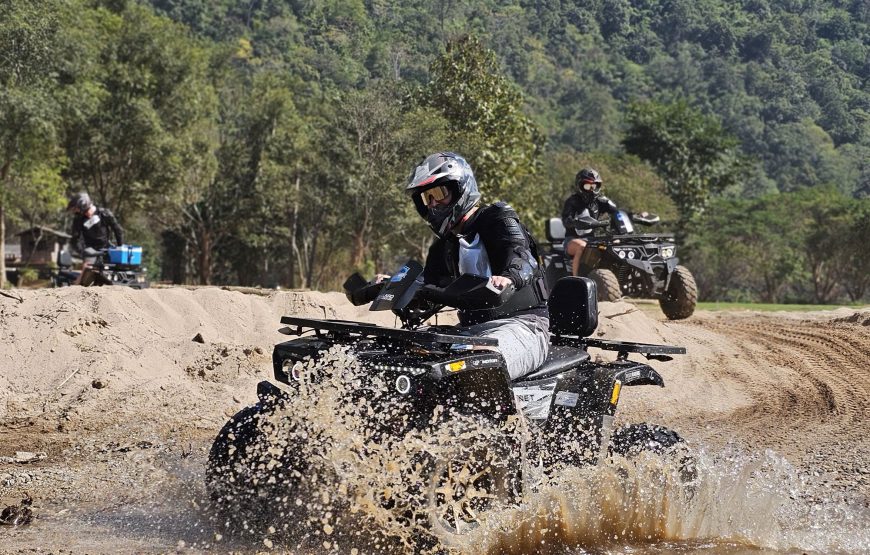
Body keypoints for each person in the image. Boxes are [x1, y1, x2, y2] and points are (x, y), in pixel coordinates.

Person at [404, 152, 550, 381]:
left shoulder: (498, 220)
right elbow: (430, 288)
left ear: (460, 188)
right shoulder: (444, 246)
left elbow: (522, 257)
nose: (432, 204)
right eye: (426, 198)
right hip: (470, 332)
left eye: (438, 193)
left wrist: (510, 278)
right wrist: (400, 288)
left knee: (477, 366)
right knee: (405, 358)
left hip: (524, 326)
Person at [560, 168, 618, 276]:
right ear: (580, 186)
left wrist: (630, 216)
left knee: (617, 244)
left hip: (593, 239)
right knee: (583, 246)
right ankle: (576, 280)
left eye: (594, 186)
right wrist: (576, 222)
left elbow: (617, 212)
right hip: (573, 240)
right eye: (587, 186)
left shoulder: (600, 202)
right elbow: (566, 220)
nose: (591, 190)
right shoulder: (573, 201)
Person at [67, 192, 125, 285]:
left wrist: (120, 247)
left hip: (107, 249)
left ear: (82, 204)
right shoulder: (78, 220)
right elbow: (75, 239)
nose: (75, 211)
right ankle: (76, 287)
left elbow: (118, 230)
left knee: (118, 271)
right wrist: (83, 252)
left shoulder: (104, 213)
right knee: (87, 271)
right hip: (90, 251)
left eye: (76, 208)